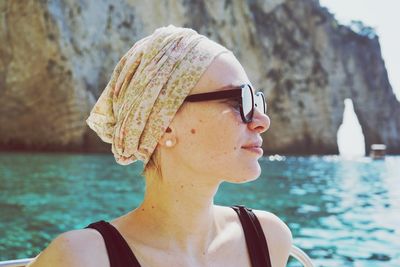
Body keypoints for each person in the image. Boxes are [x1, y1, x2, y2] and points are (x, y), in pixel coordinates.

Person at [28, 25, 292, 267]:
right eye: (239, 101)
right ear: (164, 123)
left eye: (256, 101)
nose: (262, 120)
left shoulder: (269, 239)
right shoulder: (80, 259)